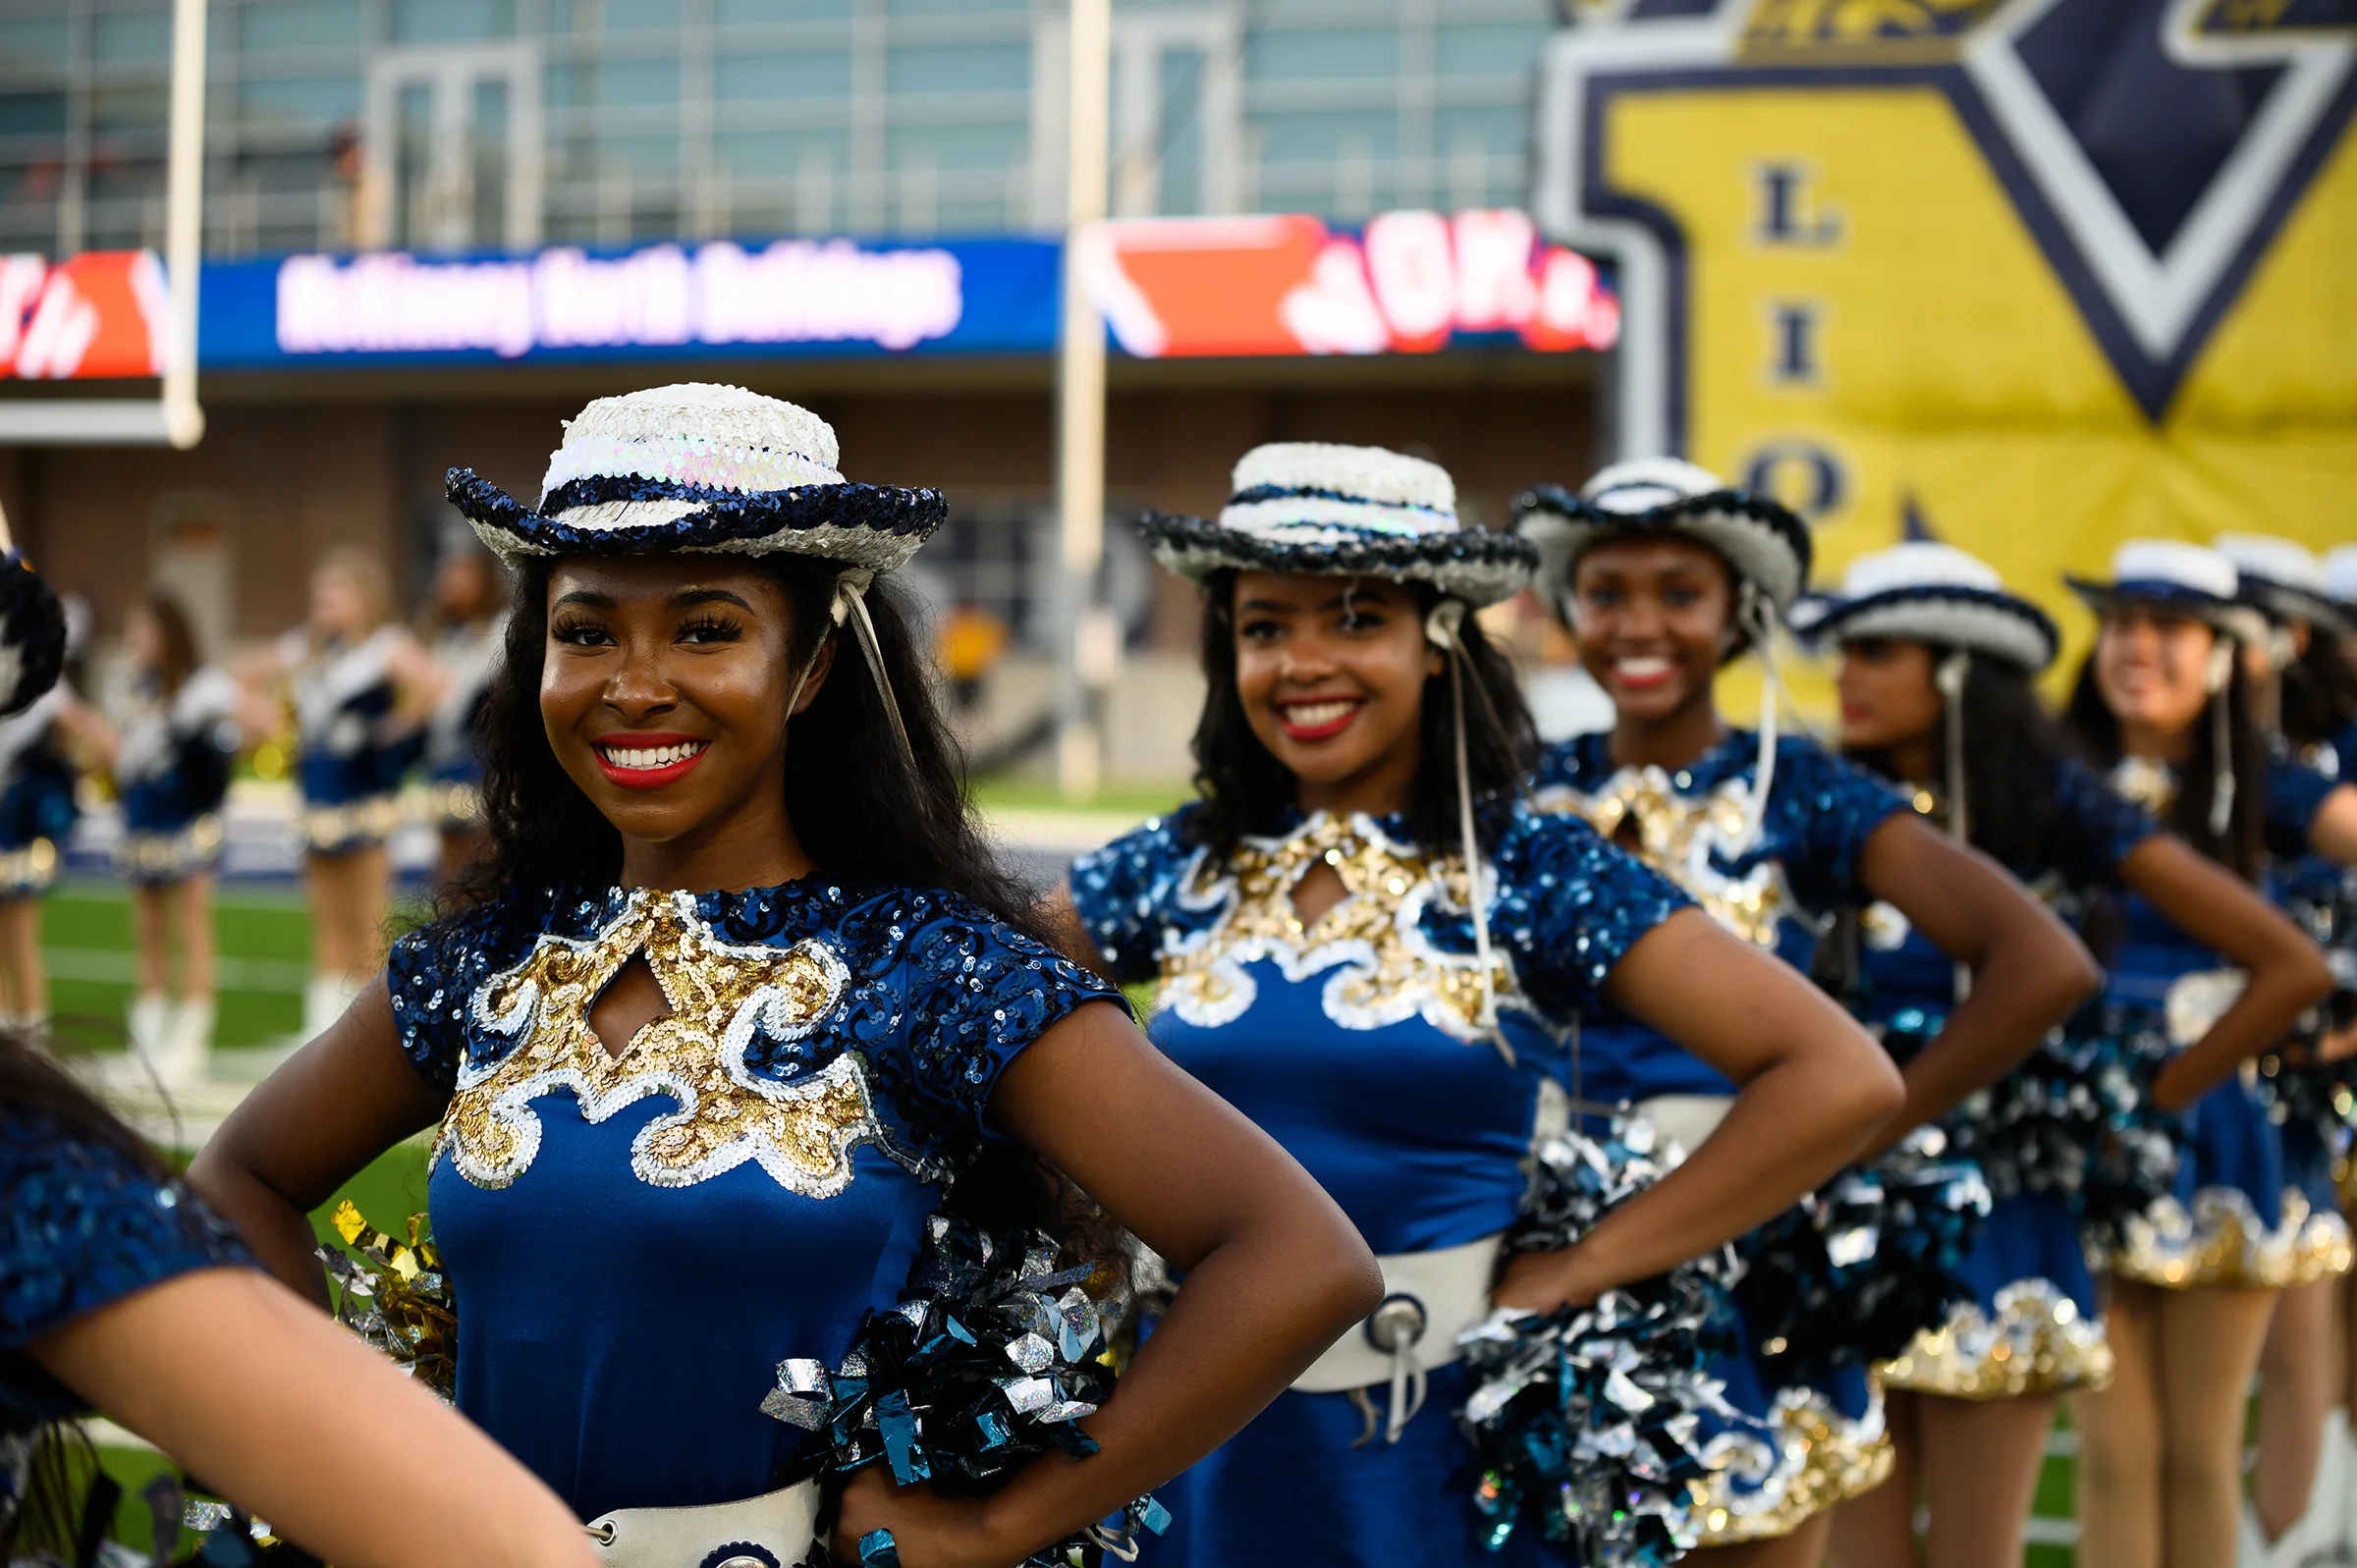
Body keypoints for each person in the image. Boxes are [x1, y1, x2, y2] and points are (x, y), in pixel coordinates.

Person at [191, 385, 1380, 1568]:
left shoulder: (930, 967)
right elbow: (237, 1179)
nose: (633, 683)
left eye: (706, 629)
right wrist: (352, 1461)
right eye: (587, 631)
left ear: (810, 666)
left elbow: (1296, 1256)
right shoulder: (486, 959)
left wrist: (997, 1523)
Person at [1057, 441, 1907, 1568]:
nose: (1302, 662)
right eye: (1265, 626)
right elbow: (975, 1015)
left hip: (1438, 1451)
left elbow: (1838, 1076)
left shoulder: (1538, 868)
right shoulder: (1179, 865)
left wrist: (1586, 1264)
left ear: (1440, 636)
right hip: (1201, 1447)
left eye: (1356, 619)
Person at [1512, 462, 2099, 1568]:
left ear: (1742, 614)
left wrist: (1856, 1129)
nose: (1638, 624)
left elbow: (2041, 961)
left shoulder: (1803, 789)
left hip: (1744, 1242)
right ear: (1568, 611)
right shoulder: (1520, 792)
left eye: (1679, 593)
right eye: (1606, 592)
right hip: (1541, 1235)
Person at [1796, 541, 2330, 1568]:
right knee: (1880, 1527)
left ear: (1957, 668)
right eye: (1844, 650)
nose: (1847, 674)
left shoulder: (2053, 797)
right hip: (1850, 1205)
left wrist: (2153, 1100)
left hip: (2015, 1196)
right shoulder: (1820, 798)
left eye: (1877, 650)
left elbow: (2289, 962)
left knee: (2164, 1459)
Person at [2059, 539, 2340, 1568]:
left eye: (2168, 627)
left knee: (2199, 1450)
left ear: (2225, 654)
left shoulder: (2276, 787)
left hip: (2216, 1120)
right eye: (2121, 623)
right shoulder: (2052, 776)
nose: (2138, 647)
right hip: (2075, 1125)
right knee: (2114, 1448)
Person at [2212, 534, 2357, 1568]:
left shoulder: (2308, 769)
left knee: (2311, 1320)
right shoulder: (2191, 767)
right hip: (2210, 1083)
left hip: (2313, 1079)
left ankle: (2305, 1539)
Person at [238, 548, 440, 1041]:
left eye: (336, 591)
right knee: (325, 920)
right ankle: (322, 1030)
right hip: (316, 796)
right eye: (320, 591)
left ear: (365, 596)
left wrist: (389, 730)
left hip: (363, 798)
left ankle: (368, 1035)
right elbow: (242, 676)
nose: (324, 600)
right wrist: (273, 723)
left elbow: (435, 685)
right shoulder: (306, 648)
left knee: (368, 920)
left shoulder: (385, 646)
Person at [55, 593, 240, 1087]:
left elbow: (225, 747)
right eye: (132, 629)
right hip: (141, 824)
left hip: (185, 824)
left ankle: (190, 1044)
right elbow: (118, 758)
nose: (135, 639)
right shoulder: (129, 687)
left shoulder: (202, 688)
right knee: (148, 934)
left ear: (169, 632)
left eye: (144, 629)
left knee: (192, 929)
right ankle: (148, 1041)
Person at [418, 541, 508, 886]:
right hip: (444, 763)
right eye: (445, 574)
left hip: (484, 766)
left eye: (459, 573)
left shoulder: (502, 629)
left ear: (483, 578)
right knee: (451, 874)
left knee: (486, 868)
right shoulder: (442, 637)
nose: (448, 582)